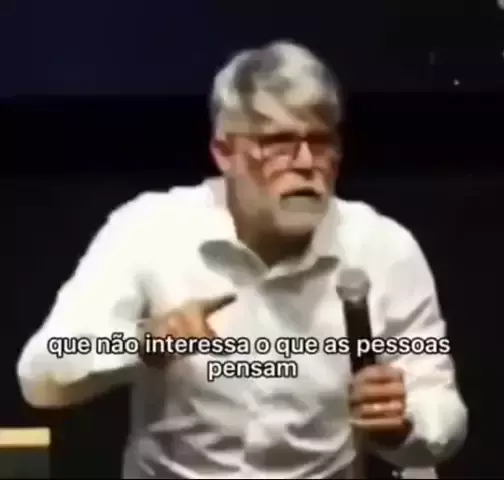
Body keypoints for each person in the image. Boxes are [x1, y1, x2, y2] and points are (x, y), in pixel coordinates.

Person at [17, 41, 467, 479]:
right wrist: (140, 343)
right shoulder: (149, 229)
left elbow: (441, 404)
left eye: (320, 141)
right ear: (224, 153)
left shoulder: (383, 249)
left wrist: (403, 426)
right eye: (278, 142)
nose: (305, 162)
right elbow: (41, 373)